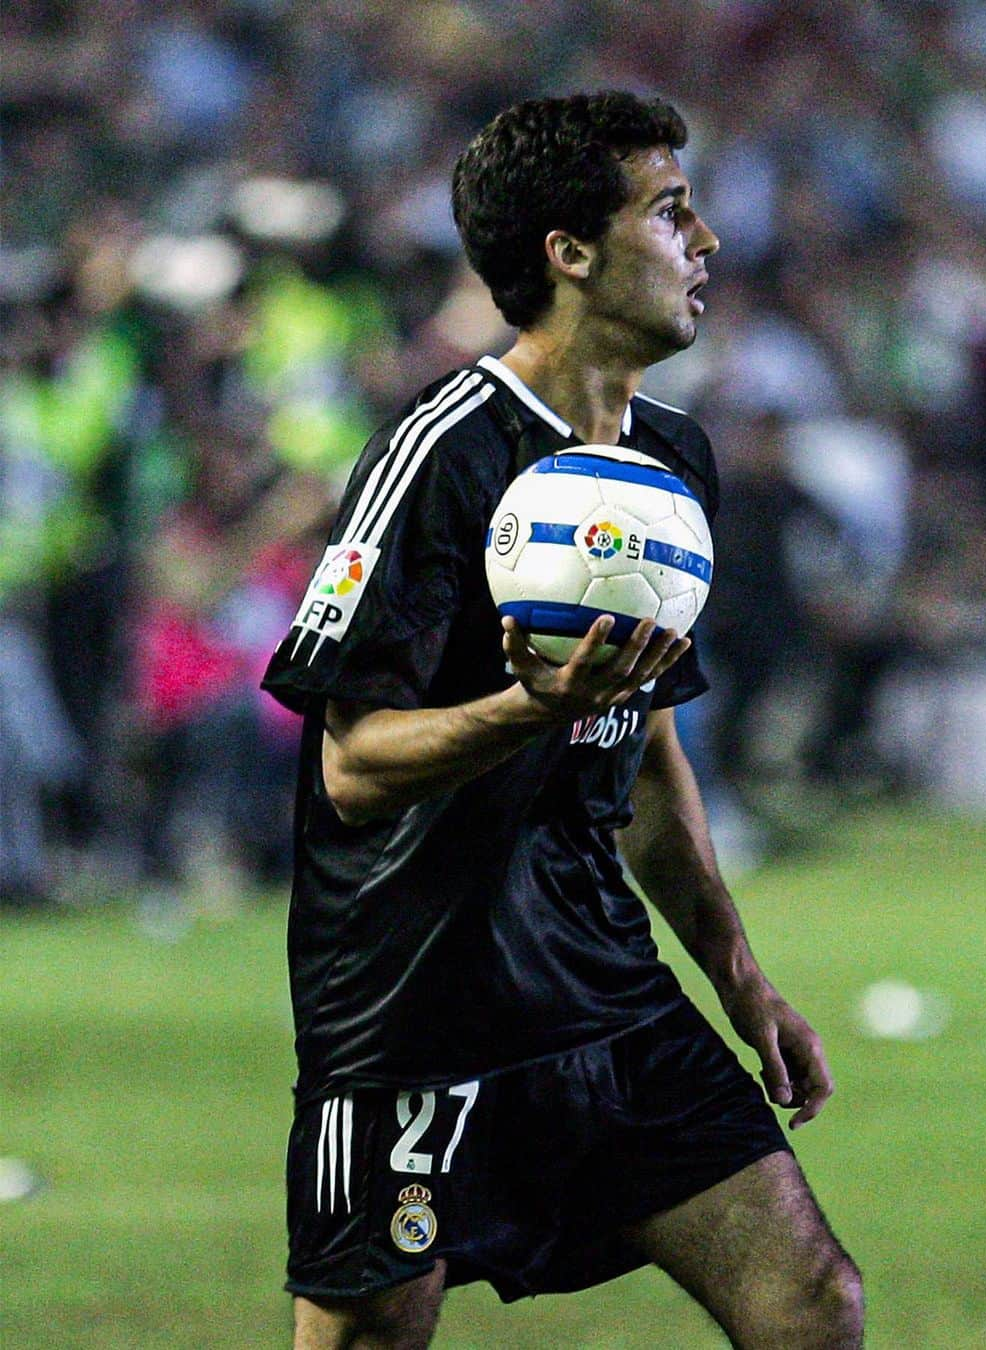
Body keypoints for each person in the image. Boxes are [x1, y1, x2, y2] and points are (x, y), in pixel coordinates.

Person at [262, 91, 864, 1350]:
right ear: (569, 253)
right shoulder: (436, 456)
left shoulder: (672, 462)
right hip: (413, 996)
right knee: (374, 1333)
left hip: (600, 984)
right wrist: (528, 709)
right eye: (669, 210)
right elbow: (356, 768)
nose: (704, 241)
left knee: (808, 1300)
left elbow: (645, 757)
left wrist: (744, 983)